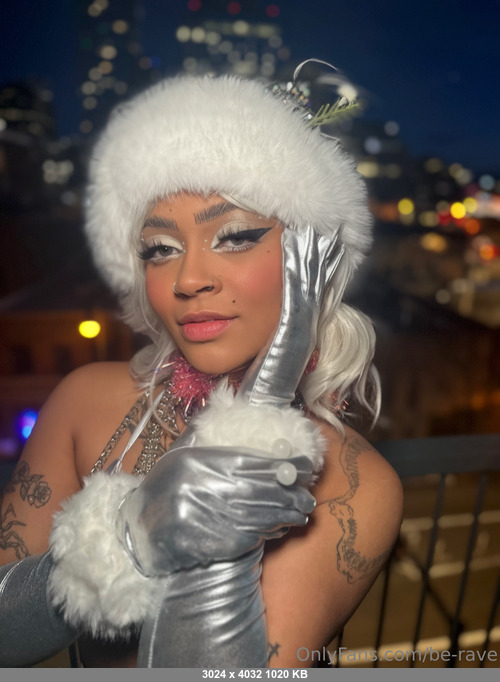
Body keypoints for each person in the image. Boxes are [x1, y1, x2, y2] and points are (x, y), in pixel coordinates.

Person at [0, 62, 403, 668]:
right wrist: (131, 542)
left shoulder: (354, 485)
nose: (188, 278)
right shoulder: (86, 399)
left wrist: (255, 424)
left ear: (313, 260)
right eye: (160, 249)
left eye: (235, 237)